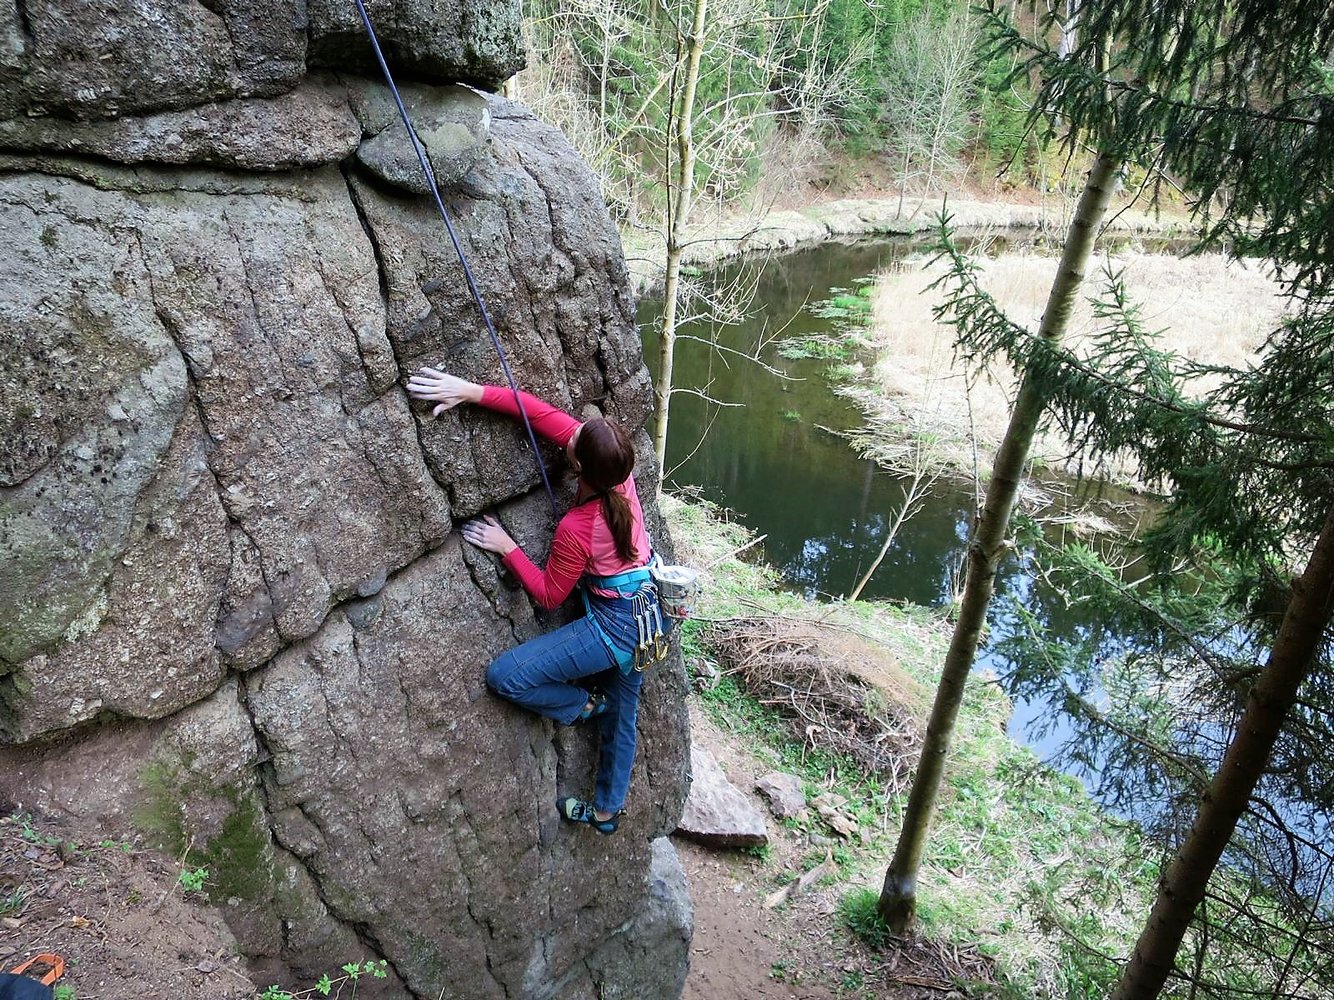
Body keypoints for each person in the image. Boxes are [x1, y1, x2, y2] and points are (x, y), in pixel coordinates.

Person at [406, 366, 670, 836]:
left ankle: (582, 706)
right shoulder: (619, 475)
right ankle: (607, 811)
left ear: (578, 465)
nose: (569, 432)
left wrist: (507, 546)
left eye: (575, 438)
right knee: (624, 713)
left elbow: (550, 596)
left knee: (506, 677)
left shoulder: (577, 528)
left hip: (616, 627)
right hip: (651, 615)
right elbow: (538, 412)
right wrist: (472, 392)